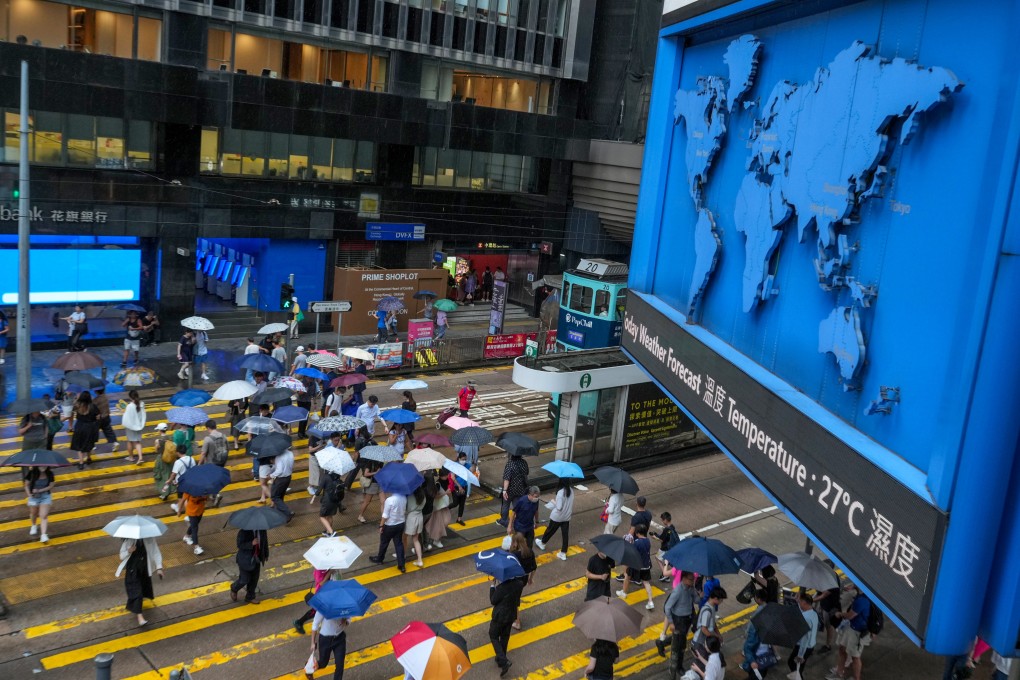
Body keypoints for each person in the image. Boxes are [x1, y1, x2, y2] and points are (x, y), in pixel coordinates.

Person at [116, 536, 163, 626]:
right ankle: (140, 617)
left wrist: (159, 568)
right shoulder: (129, 540)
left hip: (144, 570)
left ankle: (138, 603)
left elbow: (156, 552)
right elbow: (121, 556)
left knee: (143, 589)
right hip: (132, 570)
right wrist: (129, 551)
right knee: (137, 593)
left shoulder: (150, 539)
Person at [828, 584, 870, 680]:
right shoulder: (861, 596)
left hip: (857, 632)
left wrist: (839, 614)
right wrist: (853, 587)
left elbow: (850, 615)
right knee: (842, 649)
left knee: (855, 657)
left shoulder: (862, 600)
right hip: (851, 627)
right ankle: (839, 672)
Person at [489, 570, 526, 677]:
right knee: (505, 637)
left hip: (500, 616)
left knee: (493, 635)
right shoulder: (519, 584)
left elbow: (493, 600)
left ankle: (504, 661)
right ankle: (501, 658)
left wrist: (492, 585)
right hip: (511, 615)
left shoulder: (501, 588)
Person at [657, 569, 697, 662]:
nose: (692, 581)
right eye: (690, 579)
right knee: (680, 640)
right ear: (684, 579)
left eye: (693, 579)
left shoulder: (691, 588)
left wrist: (700, 596)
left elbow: (696, 600)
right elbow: (667, 607)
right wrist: (671, 622)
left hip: (688, 613)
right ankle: (677, 664)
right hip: (679, 616)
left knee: (681, 637)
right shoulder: (678, 591)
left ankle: (661, 643)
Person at [616, 524, 656, 610]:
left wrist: (630, 544)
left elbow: (632, 552)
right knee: (646, 583)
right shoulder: (647, 541)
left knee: (627, 576)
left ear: (637, 533)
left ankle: (624, 592)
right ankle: (650, 601)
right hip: (646, 566)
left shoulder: (637, 542)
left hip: (636, 565)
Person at [369, 490, 407, 573]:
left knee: (384, 543)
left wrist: (381, 525)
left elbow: (385, 515)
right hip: (400, 524)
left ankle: (380, 558)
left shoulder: (389, 500)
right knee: (399, 543)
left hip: (390, 525)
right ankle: (401, 565)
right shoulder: (404, 497)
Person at [535, 477, 572, 559]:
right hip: (566, 517)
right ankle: (563, 553)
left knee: (550, 530)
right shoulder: (571, 491)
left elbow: (559, 507)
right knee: (565, 535)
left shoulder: (560, 492)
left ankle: (542, 543)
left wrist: (553, 501)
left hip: (557, 517)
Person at [230, 528, 268, 604]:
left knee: (254, 579)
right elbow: (239, 544)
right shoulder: (243, 531)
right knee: (244, 579)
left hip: (257, 558)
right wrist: (251, 543)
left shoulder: (262, 530)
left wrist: (266, 554)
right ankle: (234, 588)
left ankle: (250, 597)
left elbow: (265, 542)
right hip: (245, 559)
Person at [294, 567, 336, 634]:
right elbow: (321, 583)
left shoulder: (327, 566)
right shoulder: (319, 570)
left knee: (319, 611)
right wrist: (330, 572)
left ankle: (300, 622)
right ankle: (299, 622)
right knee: (315, 611)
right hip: (320, 594)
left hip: (327, 592)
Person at [310, 608, 348, 680]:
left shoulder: (345, 607)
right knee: (323, 663)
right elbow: (315, 624)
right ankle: (309, 668)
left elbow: (349, 619)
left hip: (340, 638)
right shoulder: (324, 607)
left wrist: (345, 621)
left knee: (340, 665)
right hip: (325, 639)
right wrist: (312, 642)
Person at [509, 532, 537, 630]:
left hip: (515, 580)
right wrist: (530, 578)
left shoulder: (514, 554)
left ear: (516, 542)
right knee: (515, 598)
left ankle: (517, 622)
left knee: (515, 600)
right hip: (524, 579)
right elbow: (534, 567)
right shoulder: (529, 552)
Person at [692, 587, 727, 662]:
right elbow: (704, 629)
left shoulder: (712, 607)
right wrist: (716, 636)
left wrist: (718, 634)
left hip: (705, 641)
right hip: (700, 642)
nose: (722, 601)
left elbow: (713, 623)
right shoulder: (707, 611)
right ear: (715, 598)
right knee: (701, 662)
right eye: (721, 599)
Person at [789, 590, 819, 680]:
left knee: (792, 663)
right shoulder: (813, 613)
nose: (799, 604)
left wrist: (800, 655)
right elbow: (802, 608)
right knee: (799, 667)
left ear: (805, 603)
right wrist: (798, 600)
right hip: (811, 645)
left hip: (804, 646)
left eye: (800, 602)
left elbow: (805, 638)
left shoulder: (806, 618)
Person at [742, 589, 770, 679]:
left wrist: (752, 661)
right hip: (766, 659)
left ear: (758, 598)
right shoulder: (769, 611)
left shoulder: (757, 619)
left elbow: (748, 647)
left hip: (757, 660)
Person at [69, 391, 101, 469]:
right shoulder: (93, 406)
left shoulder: (77, 405)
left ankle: (81, 463)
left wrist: (76, 399)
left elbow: (72, 411)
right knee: (89, 443)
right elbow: (98, 416)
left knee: (79, 444)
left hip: (79, 426)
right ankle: (89, 458)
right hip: (89, 427)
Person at [498, 453, 530, 528]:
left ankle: (504, 520)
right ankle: (518, 520)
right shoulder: (524, 462)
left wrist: (505, 490)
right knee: (516, 505)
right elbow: (527, 473)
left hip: (510, 489)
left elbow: (506, 478)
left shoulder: (510, 464)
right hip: (520, 489)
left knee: (506, 505)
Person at [23, 465, 54, 543]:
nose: (43, 467)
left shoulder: (50, 473)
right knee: (34, 513)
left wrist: (40, 490)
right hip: (33, 496)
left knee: (43, 515)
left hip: (45, 496)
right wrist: (29, 494)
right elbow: (26, 485)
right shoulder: (32, 473)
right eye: (41, 465)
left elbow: (51, 485)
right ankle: (34, 525)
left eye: (45, 465)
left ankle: (43, 535)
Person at [173, 489, 208, 555]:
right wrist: (179, 510)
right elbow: (183, 500)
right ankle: (196, 547)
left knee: (194, 525)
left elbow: (206, 499)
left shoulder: (205, 489)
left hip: (200, 511)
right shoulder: (189, 490)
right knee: (195, 528)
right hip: (191, 512)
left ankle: (186, 536)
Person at [425, 469, 452, 549]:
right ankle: (436, 540)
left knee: (444, 522)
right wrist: (445, 493)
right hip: (438, 507)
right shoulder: (437, 484)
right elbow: (435, 496)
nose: (447, 476)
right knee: (439, 524)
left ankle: (435, 539)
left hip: (444, 506)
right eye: (446, 475)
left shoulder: (446, 482)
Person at [508, 485, 541, 549]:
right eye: (535, 496)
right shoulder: (522, 501)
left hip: (529, 526)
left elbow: (536, 511)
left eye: (538, 496)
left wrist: (537, 521)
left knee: (530, 545)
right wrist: (509, 526)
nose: (537, 498)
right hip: (520, 527)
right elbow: (513, 513)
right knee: (518, 545)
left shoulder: (536, 501)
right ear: (530, 495)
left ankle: (528, 557)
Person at [653, 511, 681, 581]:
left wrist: (654, 537)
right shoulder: (672, 527)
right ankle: (666, 572)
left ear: (665, 520)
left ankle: (665, 574)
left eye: (662, 520)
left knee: (657, 558)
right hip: (670, 548)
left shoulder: (666, 529)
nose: (662, 521)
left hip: (665, 548)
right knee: (666, 560)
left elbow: (661, 539)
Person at [270, 445, 296, 520]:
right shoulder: (290, 453)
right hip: (288, 477)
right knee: (280, 496)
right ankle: (282, 515)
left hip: (281, 479)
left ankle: (288, 512)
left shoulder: (278, 456)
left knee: (275, 497)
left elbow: (279, 470)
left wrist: (271, 475)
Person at [403, 484, 426, 568]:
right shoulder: (422, 495)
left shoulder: (409, 495)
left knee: (404, 537)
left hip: (411, 518)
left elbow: (406, 508)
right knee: (416, 540)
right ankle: (420, 560)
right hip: (420, 516)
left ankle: (403, 555)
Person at [121, 390, 147, 464]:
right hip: (139, 425)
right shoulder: (141, 404)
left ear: (130, 397)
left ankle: (131, 457)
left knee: (130, 441)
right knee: (137, 442)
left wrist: (124, 412)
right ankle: (140, 457)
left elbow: (127, 417)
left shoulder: (130, 406)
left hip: (131, 426)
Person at [318, 469, 345, 537]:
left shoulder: (326, 477)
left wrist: (314, 496)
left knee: (322, 517)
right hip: (335, 500)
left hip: (327, 500)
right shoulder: (337, 476)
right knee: (330, 515)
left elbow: (319, 490)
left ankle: (331, 532)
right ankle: (328, 531)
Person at [92, 386, 119, 452]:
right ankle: (115, 442)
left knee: (93, 432)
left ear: (96, 391)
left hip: (98, 419)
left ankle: (92, 445)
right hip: (106, 417)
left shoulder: (95, 400)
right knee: (108, 430)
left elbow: (92, 408)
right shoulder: (106, 397)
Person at [356, 458, 381, 523]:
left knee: (383, 501)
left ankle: (384, 518)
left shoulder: (380, 463)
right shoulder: (370, 463)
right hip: (372, 484)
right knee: (367, 502)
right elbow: (365, 474)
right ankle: (360, 515)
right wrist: (376, 472)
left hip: (380, 483)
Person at [152, 423, 174, 497]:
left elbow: (156, 450)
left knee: (162, 477)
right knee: (168, 475)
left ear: (160, 430)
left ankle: (164, 493)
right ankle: (169, 490)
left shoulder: (158, 441)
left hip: (161, 460)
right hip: (169, 459)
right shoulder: (170, 438)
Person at [449, 451, 470, 525]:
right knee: (455, 503)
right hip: (456, 487)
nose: (464, 461)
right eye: (463, 459)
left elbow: (472, 470)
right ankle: (446, 509)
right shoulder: (455, 466)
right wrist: (459, 486)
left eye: (465, 459)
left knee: (462, 503)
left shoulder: (467, 465)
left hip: (465, 486)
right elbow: (452, 477)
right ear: (459, 459)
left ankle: (459, 519)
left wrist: (474, 464)